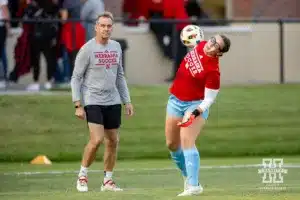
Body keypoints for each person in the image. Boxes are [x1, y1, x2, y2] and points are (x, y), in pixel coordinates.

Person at [70, 11, 134, 192]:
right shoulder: (87, 49)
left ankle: (108, 181)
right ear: (96, 28)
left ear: (112, 28)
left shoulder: (116, 47)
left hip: (112, 100)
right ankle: (82, 175)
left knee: (113, 140)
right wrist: (77, 104)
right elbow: (76, 78)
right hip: (93, 99)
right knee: (97, 139)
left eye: (109, 26)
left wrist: (126, 101)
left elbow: (120, 76)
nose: (106, 29)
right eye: (102, 26)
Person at [165, 34, 231, 196]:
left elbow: (208, 100)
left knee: (187, 140)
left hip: (195, 104)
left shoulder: (213, 72)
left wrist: (194, 114)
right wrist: (186, 34)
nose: (212, 44)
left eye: (217, 45)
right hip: (175, 100)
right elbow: (192, 39)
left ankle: (194, 186)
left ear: (219, 53)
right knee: (172, 144)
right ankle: (189, 177)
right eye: (213, 40)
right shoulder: (201, 45)